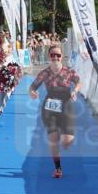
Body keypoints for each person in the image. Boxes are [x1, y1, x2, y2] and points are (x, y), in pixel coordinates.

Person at [28, 45, 82, 179]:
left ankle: (65, 139)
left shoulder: (69, 71)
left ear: (62, 56)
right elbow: (32, 86)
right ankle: (58, 168)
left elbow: (79, 82)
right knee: (53, 139)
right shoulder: (44, 73)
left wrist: (75, 91)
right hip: (50, 106)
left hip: (67, 104)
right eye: (53, 55)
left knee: (67, 142)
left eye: (58, 55)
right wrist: (32, 93)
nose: (55, 58)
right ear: (49, 56)